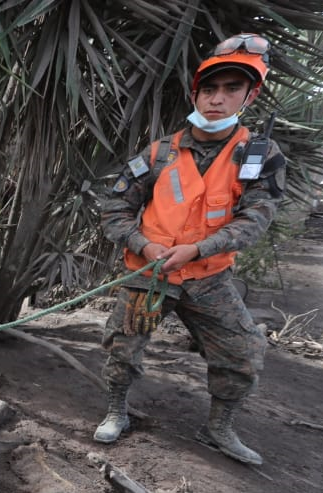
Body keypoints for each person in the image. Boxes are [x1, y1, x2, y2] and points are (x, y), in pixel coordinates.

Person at [94, 33, 286, 466]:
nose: (217, 99)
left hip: (207, 277)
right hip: (150, 274)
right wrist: (144, 244)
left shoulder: (259, 154)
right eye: (210, 89)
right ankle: (116, 410)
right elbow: (114, 210)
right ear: (195, 93)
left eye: (231, 89)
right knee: (121, 349)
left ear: (249, 94)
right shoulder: (160, 152)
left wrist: (197, 250)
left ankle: (218, 427)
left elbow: (256, 219)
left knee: (244, 353)